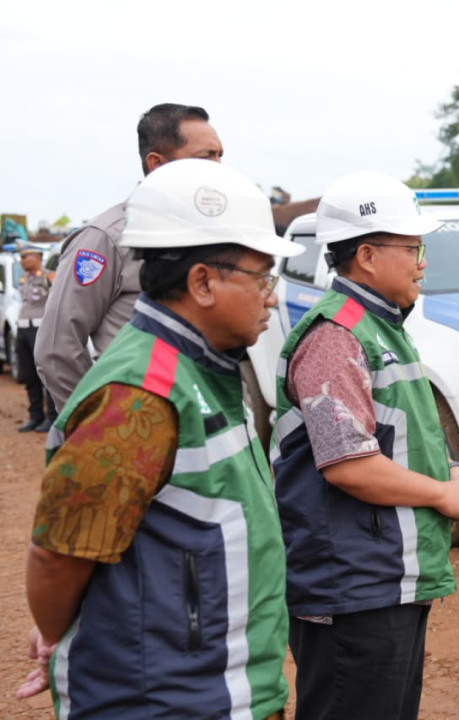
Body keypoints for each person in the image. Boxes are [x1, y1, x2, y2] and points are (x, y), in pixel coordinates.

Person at [18, 159, 302, 718]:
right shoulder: (139, 397)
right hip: (164, 699)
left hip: (217, 688)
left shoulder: (204, 369)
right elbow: (58, 560)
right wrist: (60, 633)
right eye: (262, 278)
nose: (271, 297)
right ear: (201, 282)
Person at [272, 171, 459, 720]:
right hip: (353, 586)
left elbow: (406, 428)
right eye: (412, 247)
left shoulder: (383, 327)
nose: (422, 260)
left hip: (385, 578)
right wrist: (443, 493)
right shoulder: (335, 337)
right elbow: (348, 464)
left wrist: (453, 465)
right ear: (366, 255)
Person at [36, 103, 224, 408]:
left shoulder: (213, 233)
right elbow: (57, 348)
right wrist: (98, 422)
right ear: (157, 164)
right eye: (206, 157)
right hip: (138, 428)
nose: (218, 168)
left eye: (220, 156)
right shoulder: (106, 238)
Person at [15, 243, 58, 432]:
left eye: (26, 257)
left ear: (38, 257)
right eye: (22, 257)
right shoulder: (23, 279)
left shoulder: (49, 276)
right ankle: (35, 415)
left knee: (45, 374)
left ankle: (51, 417)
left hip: (40, 330)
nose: (22, 261)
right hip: (23, 330)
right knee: (29, 375)